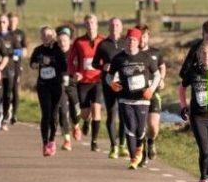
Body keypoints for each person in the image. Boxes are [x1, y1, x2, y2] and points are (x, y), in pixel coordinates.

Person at [106, 27, 161, 169]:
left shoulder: (146, 57)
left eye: (134, 40)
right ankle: (133, 159)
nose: (131, 42)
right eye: (129, 39)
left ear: (138, 42)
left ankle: (139, 151)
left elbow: (157, 75)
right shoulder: (118, 58)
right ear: (125, 41)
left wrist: (151, 89)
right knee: (130, 126)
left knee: (141, 130)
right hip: (125, 99)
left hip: (142, 99)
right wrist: (111, 84)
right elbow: (108, 75)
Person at [178, 21, 208, 182]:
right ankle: (204, 180)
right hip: (197, 114)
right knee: (206, 151)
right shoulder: (195, 55)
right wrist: (183, 106)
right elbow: (182, 82)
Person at [67, 14, 105, 151]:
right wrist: (74, 73)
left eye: (92, 23)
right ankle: (86, 121)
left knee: (96, 109)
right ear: (85, 26)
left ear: (97, 25)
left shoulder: (103, 41)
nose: (90, 25)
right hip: (83, 81)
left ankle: (94, 141)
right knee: (84, 113)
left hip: (98, 80)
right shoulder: (78, 42)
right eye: (87, 23)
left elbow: (109, 58)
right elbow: (71, 60)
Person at [30, 26, 68, 156]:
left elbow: (64, 66)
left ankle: (52, 139)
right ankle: (45, 143)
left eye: (49, 35)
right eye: (44, 35)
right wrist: (35, 64)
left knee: (54, 114)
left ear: (53, 36)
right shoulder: (38, 50)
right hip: (43, 85)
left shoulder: (58, 50)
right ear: (41, 37)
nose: (47, 37)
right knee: (45, 113)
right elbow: (32, 63)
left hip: (56, 85)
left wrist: (51, 61)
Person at [92, 18, 127, 158]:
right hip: (109, 83)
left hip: (124, 83)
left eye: (117, 25)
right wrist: (102, 66)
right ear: (109, 27)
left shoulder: (126, 43)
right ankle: (113, 146)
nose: (114, 27)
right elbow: (94, 63)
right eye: (112, 25)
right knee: (112, 113)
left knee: (124, 114)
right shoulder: (103, 44)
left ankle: (122, 145)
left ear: (121, 27)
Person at [139, 25, 165, 167]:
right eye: (139, 37)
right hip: (138, 95)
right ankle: (142, 156)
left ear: (148, 37)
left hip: (153, 93)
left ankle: (151, 142)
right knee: (141, 127)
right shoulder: (132, 54)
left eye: (144, 36)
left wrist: (161, 79)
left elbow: (162, 67)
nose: (142, 39)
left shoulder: (155, 53)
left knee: (153, 126)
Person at [55, 26, 81, 150]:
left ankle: (76, 125)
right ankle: (66, 140)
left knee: (76, 110)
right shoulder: (54, 53)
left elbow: (82, 66)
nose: (62, 43)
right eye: (59, 41)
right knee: (63, 111)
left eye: (64, 41)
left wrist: (79, 74)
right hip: (59, 85)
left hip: (72, 84)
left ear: (69, 41)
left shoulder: (74, 52)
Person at [0, 14, 19, 131]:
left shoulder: (13, 36)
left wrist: (10, 52)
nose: (1, 24)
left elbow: (20, 52)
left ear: (7, 23)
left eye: (4, 22)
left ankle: (4, 118)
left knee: (7, 95)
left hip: (10, 70)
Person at [6, 13, 27, 125]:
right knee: (7, 89)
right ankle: (6, 109)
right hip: (6, 65)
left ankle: (14, 114)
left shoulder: (21, 33)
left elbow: (25, 51)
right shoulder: (5, 33)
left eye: (14, 21)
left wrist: (15, 52)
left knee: (15, 90)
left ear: (17, 21)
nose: (12, 23)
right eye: (11, 21)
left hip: (17, 65)